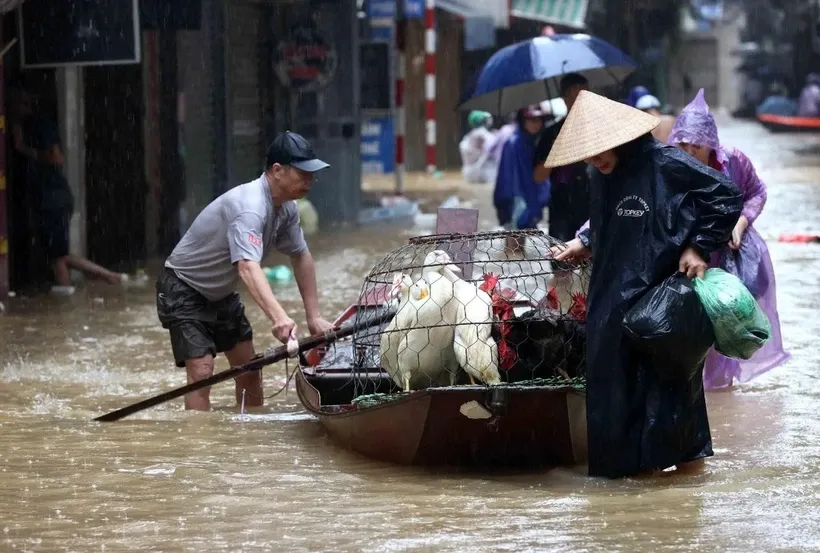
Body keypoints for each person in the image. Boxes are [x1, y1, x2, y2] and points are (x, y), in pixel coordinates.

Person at [548, 91, 742, 479]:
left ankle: (684, 481)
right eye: (588, 153)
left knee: (670, 387)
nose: (595, 158)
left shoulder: (666, 162)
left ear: (621, 138)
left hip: (662, 299)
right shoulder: (598, 174)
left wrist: (697, 247)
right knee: (613, 392)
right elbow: (608, 225)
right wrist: (584, 244)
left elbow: (726, 196)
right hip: (610, 298)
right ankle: (628, 486)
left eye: (601, 149)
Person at [156, 131, 335, 411]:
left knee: (250, 370)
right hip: (183, 288)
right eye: (302, 173)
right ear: (277, 171)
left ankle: (248, 439)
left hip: (221, 293)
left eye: (311, 174)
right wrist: (279, 318)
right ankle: (198, 448)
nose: (309, 180)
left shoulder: (287, 209)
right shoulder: (250, 208)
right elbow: (248, 267)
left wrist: (314, 316)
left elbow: (301, 256)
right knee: (202, 374)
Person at [667, 89, 790, 390]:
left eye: (696, 145)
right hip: (691, 257)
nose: (688, 151)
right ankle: (699, 393)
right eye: (681, 143)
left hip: (731, 258)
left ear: (711, 144)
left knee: (728, 324)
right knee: (694, 329)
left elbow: (757, 193)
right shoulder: (670, 166)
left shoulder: (734, 162)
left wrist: (742, 221)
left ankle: (721, 394)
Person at [11, 89, 126, 295]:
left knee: (58, 255)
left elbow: (57, 158)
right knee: (58, 254)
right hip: (48, 199)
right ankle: (106, 278)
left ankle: (73, 290)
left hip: (53, 199)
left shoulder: (39, 124)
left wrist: (23, 148)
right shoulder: (32, 125)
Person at [532, 74, 591, 245]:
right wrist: (556, 148)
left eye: (586, 94)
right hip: (562, 208)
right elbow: (538, 176)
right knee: (561, 265)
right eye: (576, 95)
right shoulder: (552, 133)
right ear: (565, 99)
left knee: (595, 268)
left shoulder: (599, 128)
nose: (582, 100)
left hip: (595, 206)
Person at [494, 105, 550, 253]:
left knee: (519, 248)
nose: (534, 123)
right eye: (530, 119)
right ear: (522, 120)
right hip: (516, 201)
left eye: (538, 119)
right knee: (514, 248)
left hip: (527, 198)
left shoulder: (533, 142)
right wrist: (514, 203)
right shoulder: (514, 143)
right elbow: (509, 178)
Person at [459, 110, 498, 184]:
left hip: (468, 174)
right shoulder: (482, 133)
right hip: (482, 173)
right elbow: (494, 146)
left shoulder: (467, 137)